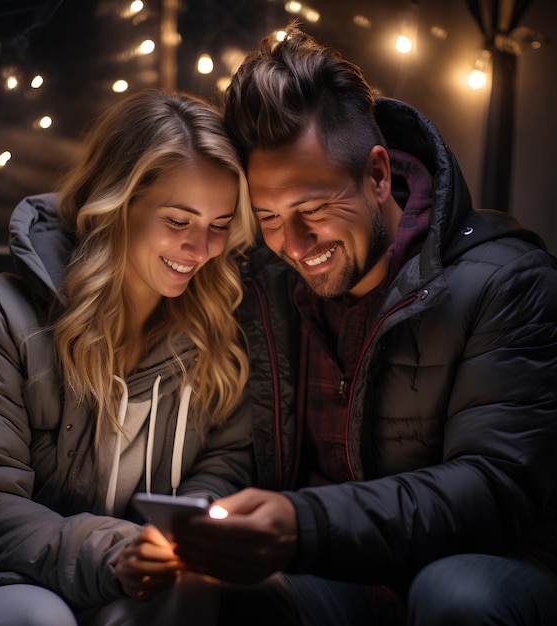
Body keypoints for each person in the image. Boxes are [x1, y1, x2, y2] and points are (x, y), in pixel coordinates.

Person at [172, 23, 557, 625]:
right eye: (268, 216)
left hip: (485, 563)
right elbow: (240, 450)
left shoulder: (507, 282)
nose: (293, 244)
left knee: (454, 594)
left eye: (315, 208)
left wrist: (303, 524)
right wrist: (206, 518)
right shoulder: (266, 289)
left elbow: (494, 487)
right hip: (333, 571)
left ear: (378, 175)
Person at [0, 89, 257, 625]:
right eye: (178, 221)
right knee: (37, 618)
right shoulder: (1, 318)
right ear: (117, 204)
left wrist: (179, 537)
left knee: (182, 597)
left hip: (136, 582)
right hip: (0, 578)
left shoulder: (216, 329)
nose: (201, 250)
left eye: (219, 225)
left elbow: (223, 464)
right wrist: (114, 554)